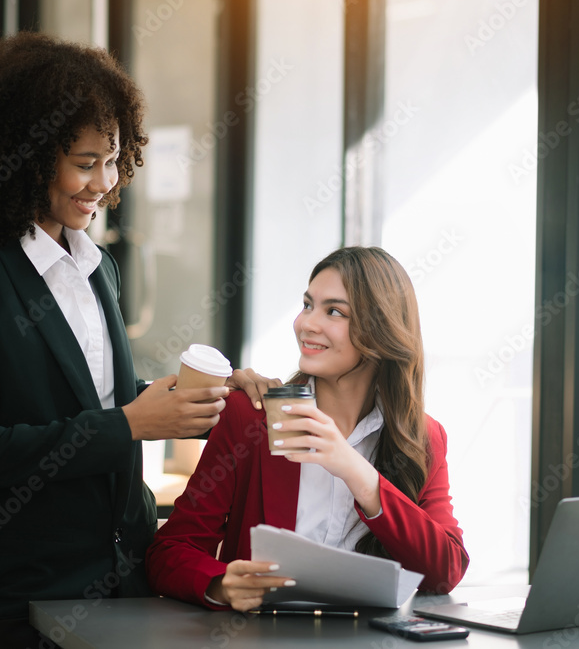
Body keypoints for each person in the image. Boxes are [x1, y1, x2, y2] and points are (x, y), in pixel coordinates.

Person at [0, 32, 272, 648]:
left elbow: (102, 395)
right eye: (84, 163)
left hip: (126, 574)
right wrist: (131, 423)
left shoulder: (96, 265)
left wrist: (195, 396)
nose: (104, 182)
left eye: (113, 160)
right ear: (25, 157)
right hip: (28, 589)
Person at [146, 247, 470, 611]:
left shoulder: (423, 438)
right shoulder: (251, 417)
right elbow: (170, 551)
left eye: (334, 311)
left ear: (383, 331)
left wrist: (357, 471)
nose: (306, 324)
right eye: (307, 305)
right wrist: (221, 584)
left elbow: (446, 571)